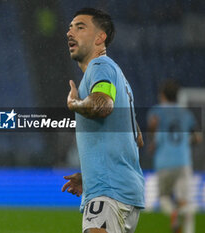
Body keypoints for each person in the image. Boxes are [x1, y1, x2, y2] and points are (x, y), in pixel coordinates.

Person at [61, 8, 145, 233]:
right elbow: (137, 137)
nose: (70, 33)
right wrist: (89, 175)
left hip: (109, 192)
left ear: (100, 37)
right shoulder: (117, 77)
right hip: (119, 189)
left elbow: (103, 104)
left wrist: (74, 104)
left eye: (80, 27)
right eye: (70, 27)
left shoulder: (101, 67)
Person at [147, 79, 202, 233]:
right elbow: (197, 137)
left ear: (163, 95)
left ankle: (174, 214)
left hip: (164, 161)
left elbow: (152, 129)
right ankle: (185, 222)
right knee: (184, 202)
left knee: (164, 198)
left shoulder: (156, 111)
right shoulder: (186, 113)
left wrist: (153, 142)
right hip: (183, 161)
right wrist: (187, 141)